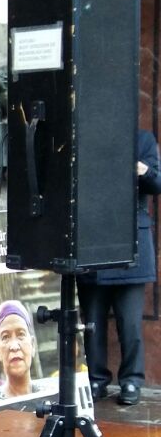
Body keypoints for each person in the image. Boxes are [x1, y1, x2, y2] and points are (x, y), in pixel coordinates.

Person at [79, 129, 161, 405]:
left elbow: (157, 183)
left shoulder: (143, 140)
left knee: (130, 323)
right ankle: (96, 380)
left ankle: (131, 381)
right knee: (92, 322)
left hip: (130, 246)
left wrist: (143, 170)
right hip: (92, 242)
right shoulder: (85, 135)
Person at [0, 299, 54, 405]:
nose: (14, 346)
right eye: (5, 337)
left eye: (21, 334)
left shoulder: (50, 399)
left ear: (33, 345)